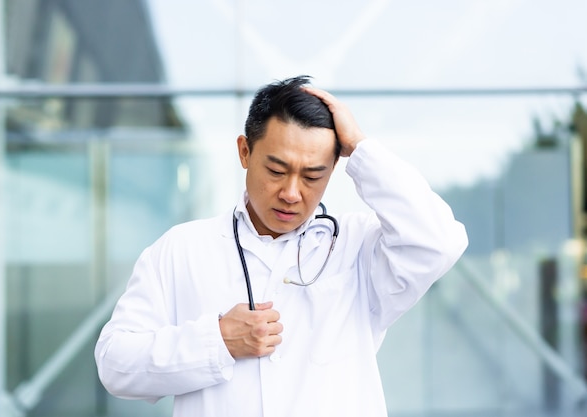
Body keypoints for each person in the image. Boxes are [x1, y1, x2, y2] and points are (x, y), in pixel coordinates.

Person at [94, 75, 468, 417]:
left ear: (333, 169)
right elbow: (115, 363)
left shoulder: (359, 247)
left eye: (312, 175)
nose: (291, 193)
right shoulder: (180, 249)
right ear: (245, 152)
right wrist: (216, 341)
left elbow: (439, 241)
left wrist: (361, 148)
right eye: (276, 171)